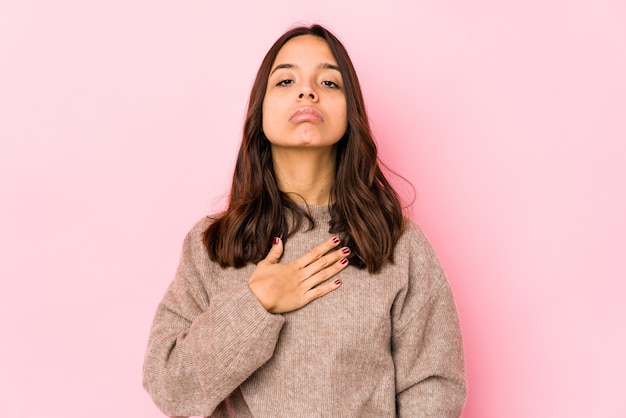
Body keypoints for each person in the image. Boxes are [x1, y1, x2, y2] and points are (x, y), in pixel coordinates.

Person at [143, 24, 466, 417]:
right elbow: (169, 386)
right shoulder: (212, 244)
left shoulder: (398, 243)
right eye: (286, 80)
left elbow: (434, 386)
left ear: (352, 113)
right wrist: (256, 304)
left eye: (329, 82)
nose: (307, 91)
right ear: (259, 111)